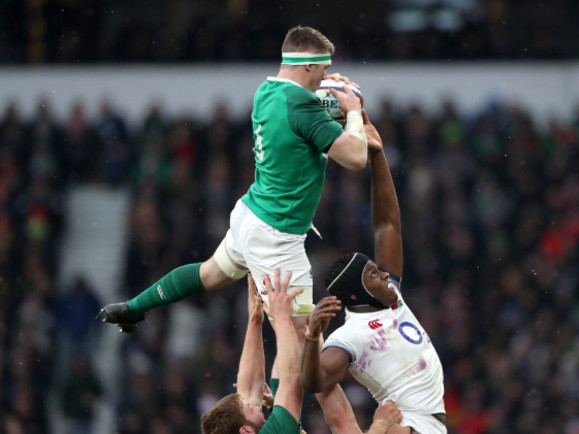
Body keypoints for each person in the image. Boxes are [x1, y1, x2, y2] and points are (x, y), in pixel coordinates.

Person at [98, 25, 367, 332]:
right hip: (277, 236)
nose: (326, 75)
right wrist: (353, 111)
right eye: (324, 68)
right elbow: (356, 158)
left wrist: (329, 101)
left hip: (251, 215)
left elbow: (300, 120)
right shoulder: (302, 106)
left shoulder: (267, 92)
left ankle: (134, 308)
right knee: (303, 336)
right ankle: (281, 384)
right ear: (307, 65)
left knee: (210, 274)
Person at [299, 112, 448, 433]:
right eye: (371, 274)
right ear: (356, 295)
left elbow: (387, 224)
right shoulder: (351, 336)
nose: (382, 274)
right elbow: (315, 382)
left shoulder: (391, 296)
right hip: (406, 425)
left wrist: (377, 155)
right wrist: (312, 337)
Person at [200, 271, 403, 434]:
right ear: (245, 431)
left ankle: (308, 330)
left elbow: (248, 389)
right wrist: (281, 318)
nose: (256, 405)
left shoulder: (242, 428)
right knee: (395, 426)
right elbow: (291, 377)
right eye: (251, 408)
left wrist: (255, 321)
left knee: (316, 383)